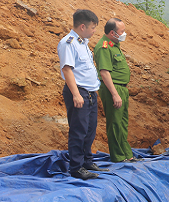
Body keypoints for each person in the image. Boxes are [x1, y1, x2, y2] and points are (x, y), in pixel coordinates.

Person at [57, 9, 105, 180]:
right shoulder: (68, 43)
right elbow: (67, 69)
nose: (94, 31)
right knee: (79, 130)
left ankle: (87, 161)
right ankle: (76, 168)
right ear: (83, 26)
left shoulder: (82, 42)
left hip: (90, 92)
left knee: (90, 130)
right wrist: (76, 94)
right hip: (79, 93)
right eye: (93, 28)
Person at [95, 18, 140, 163]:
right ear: (112, 33)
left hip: (122, 88)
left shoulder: (115, 45)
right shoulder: (104, 47)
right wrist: (115, 94)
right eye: (122, 31)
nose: (124, 34)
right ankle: (118, 157)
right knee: (115, 123)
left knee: (122, 123)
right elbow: (104, 72)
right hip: (112, 89)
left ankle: (127, 154)